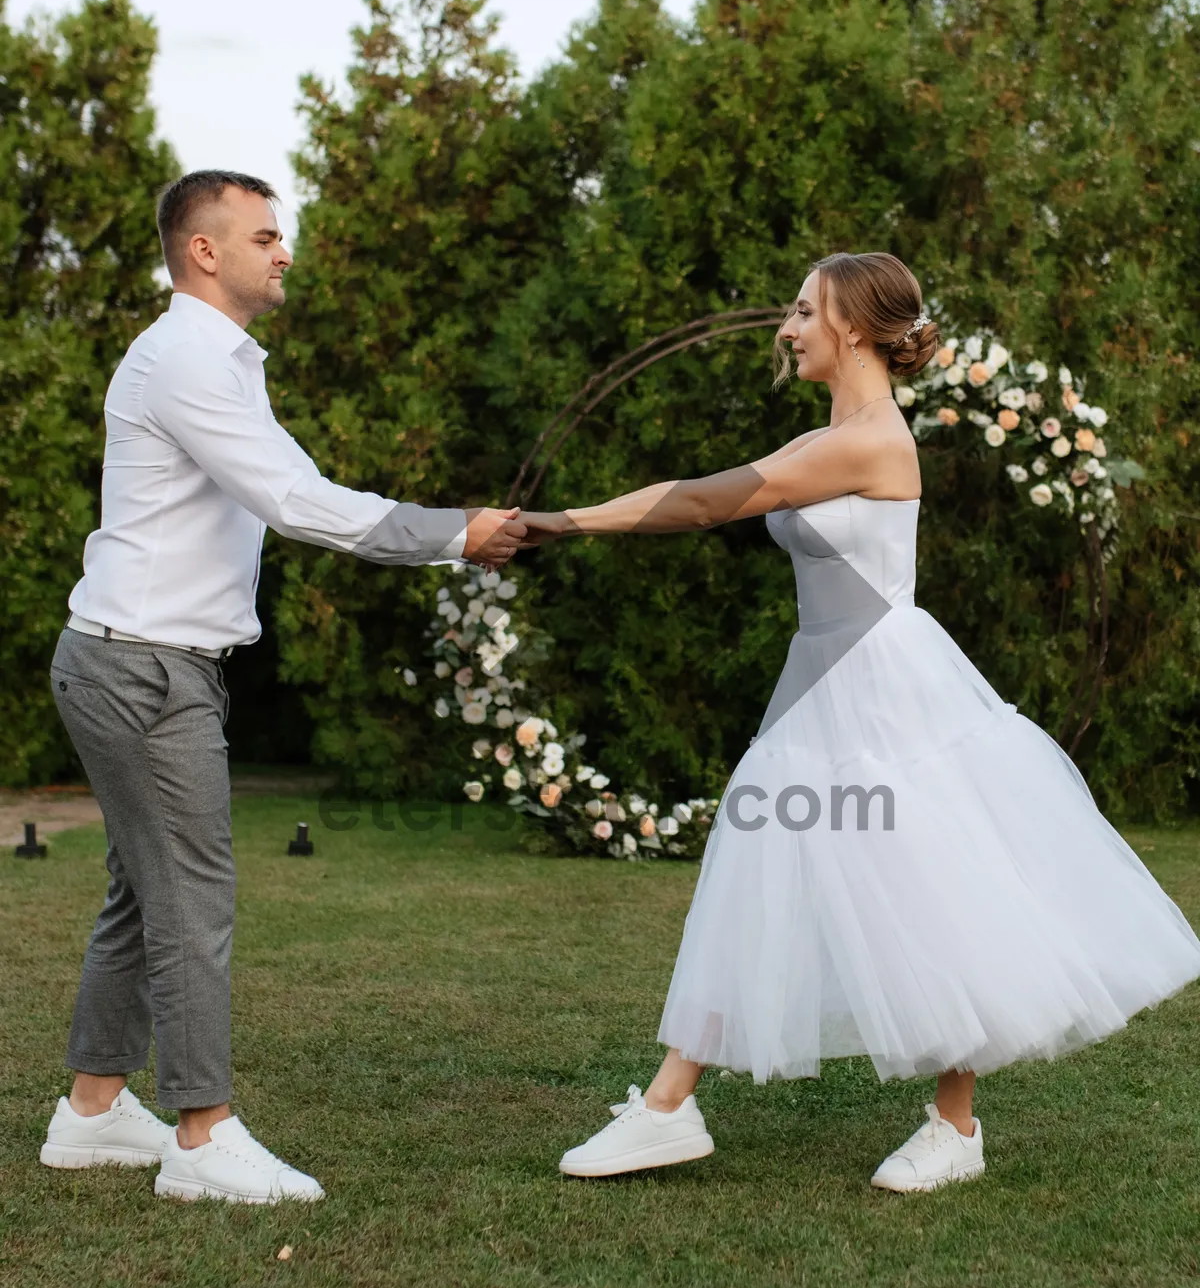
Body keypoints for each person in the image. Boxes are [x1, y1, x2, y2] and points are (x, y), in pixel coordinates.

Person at [523, 252, 1200, 1192]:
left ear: (849, 325)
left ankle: (944, 1126)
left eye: (804, 310)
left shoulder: (872, 439)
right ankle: (670, 1108)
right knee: (760, 854)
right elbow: (723, 492)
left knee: (919, 880)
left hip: (884, 685)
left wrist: (563, 521)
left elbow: (713, 500)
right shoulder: (829, 435)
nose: (787, 326)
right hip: (825, 679)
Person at [40, 170, 526, 1205]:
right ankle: (203, 1134)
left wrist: (447, 539)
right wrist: (454, 533)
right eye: (266, 233)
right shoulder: (185, 356)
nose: (285, 250)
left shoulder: (213, 360)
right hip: (142, 666)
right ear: (203, 251)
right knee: (189, 898)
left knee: (144, 889)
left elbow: (287, 490)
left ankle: (89, 1110)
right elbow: (299, 500)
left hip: (144, 660)